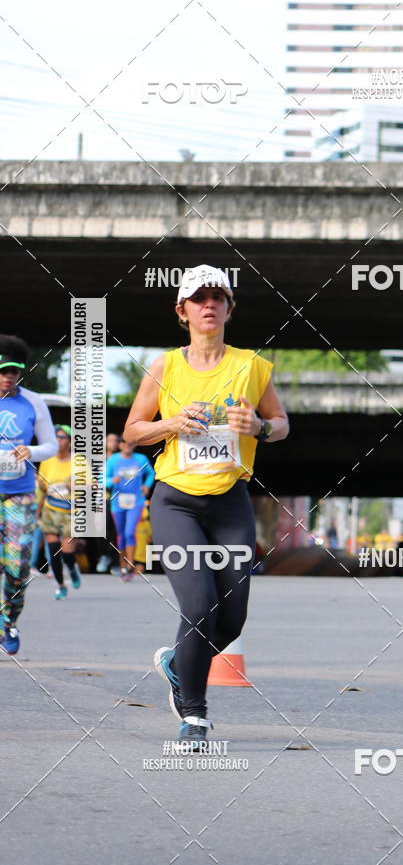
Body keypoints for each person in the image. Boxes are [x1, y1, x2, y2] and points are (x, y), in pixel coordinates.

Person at [123, 265, 289, 749]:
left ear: (230, 308)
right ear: (182, 311)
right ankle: (194, 713)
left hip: (230, 502)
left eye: (218, 297)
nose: (209, 305)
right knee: (198, 606)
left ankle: (178, 662)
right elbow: (133, 430)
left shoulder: (251, 366)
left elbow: (281, 423)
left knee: (231, 618)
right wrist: (171, 423)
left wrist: (259, 426)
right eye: (199, 298)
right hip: (178, 503)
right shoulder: (165, 367)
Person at [0, 335, 58, 653]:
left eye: (16, 371)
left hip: (19, 494)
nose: (10, 377)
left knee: (18, 566)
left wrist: (30, 450)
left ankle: (8, 621)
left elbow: (50, 445)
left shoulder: (33, 401)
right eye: (4, 371)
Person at [38, 425, 81, 599]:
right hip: (50, 509)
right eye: (55, 437)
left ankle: (72, 568)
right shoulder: (47, 460)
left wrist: (76, 485)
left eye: (62, 437)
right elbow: (41, 486)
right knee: (53, 548)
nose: (58, 440)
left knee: (67, 552)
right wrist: (37, 512)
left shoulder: (78, 461)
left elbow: (92, 485)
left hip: (71, 511)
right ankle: (61, 585)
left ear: (69, 441)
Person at [106, 436, 154, 581]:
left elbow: (151, 473)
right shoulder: (113, 460)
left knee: (129, 532)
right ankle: (122, 565)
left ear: (134, 445)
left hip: (136, 501)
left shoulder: (141, 459)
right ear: (120, 445)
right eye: (124, 443)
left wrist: (146, 485)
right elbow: (103, 478)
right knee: (120, 535)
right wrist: (111, 481)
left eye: (131, 443)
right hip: (118, 502)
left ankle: (130, 565)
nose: (127, 446)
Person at [96, 432, 120, 574]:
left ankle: (116, 563)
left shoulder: (119, 459)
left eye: (115, 440)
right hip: (99, 497)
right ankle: (104, 555)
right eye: (110, 440)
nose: (113, 443)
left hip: (117, 497)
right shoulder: (96, 459)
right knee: (100, 529)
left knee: (115, 531)